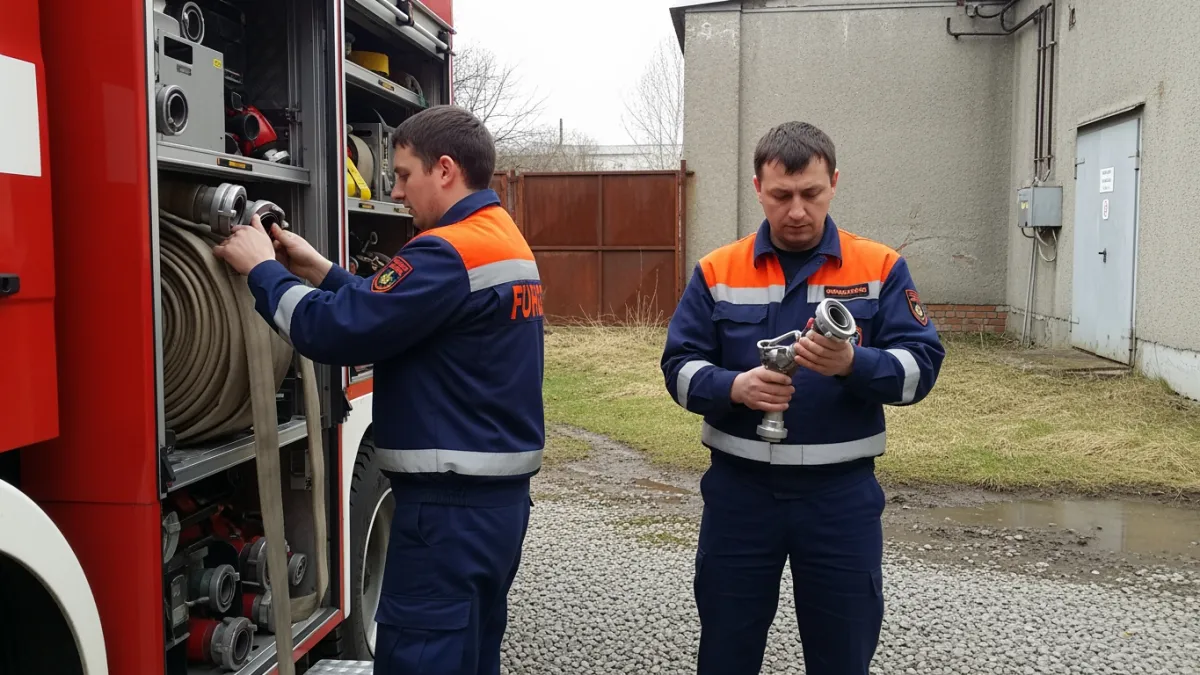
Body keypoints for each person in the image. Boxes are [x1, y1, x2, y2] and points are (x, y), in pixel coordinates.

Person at [214, 105, 544, 674]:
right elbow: (398, 311)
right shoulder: (498, 239)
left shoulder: (445, 251)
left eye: (402, 175)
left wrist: (261, 270)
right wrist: (317, 267)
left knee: (421, 659)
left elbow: (335, 330)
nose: (394, 192)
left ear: (444, 170)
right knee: (470, 656)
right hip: (493, 511)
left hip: (446, 516)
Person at [661, 121, 945, 675]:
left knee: (841, 656)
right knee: (726, 651)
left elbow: (921, 366)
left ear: (833, 183)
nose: (796, 211)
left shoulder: (880, 267)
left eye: (811, 194)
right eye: (781, 195)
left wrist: (854, 364)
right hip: (740, 496)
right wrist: (734, 388)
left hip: (839, 499)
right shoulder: (718, 271)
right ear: (757, 188)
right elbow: (678, 367)